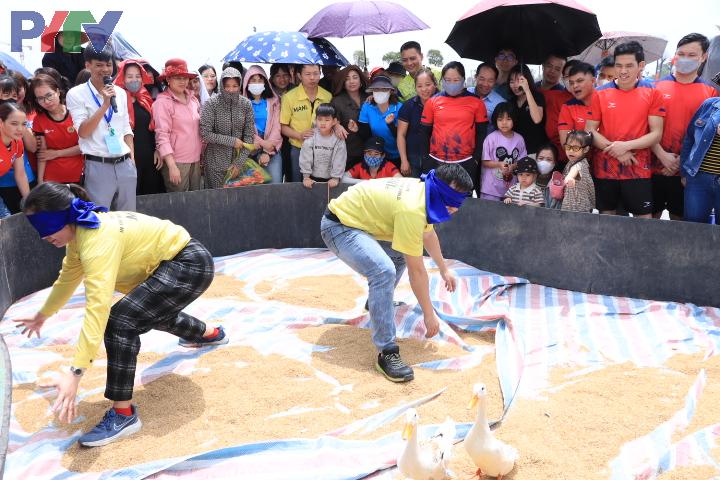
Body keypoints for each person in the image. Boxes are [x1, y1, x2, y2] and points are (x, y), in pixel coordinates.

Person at [16, 182, 228, 447]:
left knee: (120, 321)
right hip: (170, 265)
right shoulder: (80, 235)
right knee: (145, 311)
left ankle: (123, 414)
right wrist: (42, 314)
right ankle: (210, 334)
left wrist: (76, 372)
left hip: (189, 264)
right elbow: (67, 280)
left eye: (46, 227)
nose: (43, 237)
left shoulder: (96, 238)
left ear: (64, 216)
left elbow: (97, 308)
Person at [321, 163, 471, 382]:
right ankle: (387, 351)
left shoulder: (425, 191)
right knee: (383, 271)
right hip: (339, 227)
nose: (455, 208)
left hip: (361, 224)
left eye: (459, 202)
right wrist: (429, 315)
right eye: (452, 200)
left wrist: (444, 268)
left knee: (400, 254)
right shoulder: (412, 208)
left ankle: (377, 301)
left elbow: (427, 235)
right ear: (440, 190)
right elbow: (417, 271)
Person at [585, 41, 665, 218]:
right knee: (607, 219)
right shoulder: (599, 93)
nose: (623, 71)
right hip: (605, 170)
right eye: (619, 65)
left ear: (641, 65)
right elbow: (590, 130)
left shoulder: (653, 93)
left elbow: (656, 134)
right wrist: (617, 151)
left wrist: (626, 146)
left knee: (643, 220)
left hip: (638, 169)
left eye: (629, 66)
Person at [652, 34, 718, 220]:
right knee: (648, 222)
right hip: (653, 167)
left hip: (688, 173)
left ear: (703, 57)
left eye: (691, 55)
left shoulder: (710, 93)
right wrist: (661, 155)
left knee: (681, 223)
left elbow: (706, 136)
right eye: (681, 54)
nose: (685, 59)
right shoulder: (655, 87)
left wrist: (681, 163)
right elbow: (645, 127)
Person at [65, 45, 135, 211]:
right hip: (98, 165)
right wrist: (104, 105)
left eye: (108, 64)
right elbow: (83, 132)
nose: (105, 69)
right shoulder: (76, 94)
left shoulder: (120, 92)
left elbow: (126, 128)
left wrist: (131, 160)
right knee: (100, 217)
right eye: (99, 65)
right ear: (87, 65)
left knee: (128, 216)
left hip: (125, 164)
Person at [420, 61, 488, 181]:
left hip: (466, 161)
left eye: (456, 80)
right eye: (447, 80)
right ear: (442, 80)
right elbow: (424, 133)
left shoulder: (477, 102)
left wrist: (475, 159)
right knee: (436, 192)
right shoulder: (432, 101)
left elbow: (482, 133)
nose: (452, 83)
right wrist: (426, 158)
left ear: (463, 80)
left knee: (462, 193)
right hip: (436, 160)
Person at [114, 60, 165, 196]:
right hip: (127, 158)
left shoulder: (145, 97)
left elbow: (154, 127)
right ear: (122, 78)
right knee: (130, 197)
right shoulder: (115, 100)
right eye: (130, 76)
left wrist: (157, 149)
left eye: (138, 76)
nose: (134, 80)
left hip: (149, 157)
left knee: (151, 195)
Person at [200, 67, 256, 189]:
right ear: (221, 85)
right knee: (216, 196)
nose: (231, 90)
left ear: (240, 85)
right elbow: (205, 133)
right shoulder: (211, 104)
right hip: (215, 162)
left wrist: (238, 163)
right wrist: (231, 141)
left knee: (236, 197)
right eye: (227, 86)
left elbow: (249, 137)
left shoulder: (246, 104)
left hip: (238, 161)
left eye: (235, 86)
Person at [153, 58, 203, 192]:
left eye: (185, 78)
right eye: (177, 78)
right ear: (168, 79)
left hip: (195, 160)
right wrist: (171, 165)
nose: (182, 81)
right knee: (179, 201)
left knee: (196, 198)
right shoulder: (162, 103)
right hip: (177, 161)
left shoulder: (193, 100)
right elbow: (162, 135)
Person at [26, 74, 83, 184]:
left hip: (80, 175)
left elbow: (86, 146)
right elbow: (43, 154)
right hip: (52, 179)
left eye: (49, 95)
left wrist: (56, 153)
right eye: (40, 98)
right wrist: (40, 181)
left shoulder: (75, 112)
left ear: (57, 91)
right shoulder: (39, 120)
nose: (46, 101)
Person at [280, 64, 332, 182]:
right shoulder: (289, 97)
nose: (312, 78)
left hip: (322, 148)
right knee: (298, 183)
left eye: (316, 74)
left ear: (320, 74)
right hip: (298, 148)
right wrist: (299, 135)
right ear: (299, 75)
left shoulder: (327, 96)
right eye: (308, 74)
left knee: (320, 183)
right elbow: (283, 126)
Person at [680, 72, 720, 224]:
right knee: (693, 227)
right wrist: (684, 172)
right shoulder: (709, 105)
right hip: (698, 177)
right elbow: (689, 139)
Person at [243, 65, 283, 184]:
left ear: (265, 82)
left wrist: (267, 152)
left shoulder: (274, 102)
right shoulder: (242, 103)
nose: (257, 83)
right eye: (253, 80)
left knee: (275, 183)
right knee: (252, 187)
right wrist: (262, 143)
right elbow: (243, 129)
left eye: (260, 80)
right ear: (247, 83)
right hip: (249, 151)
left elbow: (277, 127)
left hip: (271, 149)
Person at [480, 102, 526, 201]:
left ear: (514, 119)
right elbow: (484, 162)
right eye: (500, 119)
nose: (504, 123)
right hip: (490, 189)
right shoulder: (491, 138)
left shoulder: (519, 139)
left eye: (508, 119)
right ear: (495, 120)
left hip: (511, 190)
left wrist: (512, 166)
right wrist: (499, 164)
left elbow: (523, 162)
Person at [398, 68, 438, 178]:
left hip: (437, 160)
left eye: (428, 84)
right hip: (414, 160)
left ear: (435, 84)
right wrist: (404, 161)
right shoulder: (408, 106)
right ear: (415, 87)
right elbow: (401, 135)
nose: (424, 89)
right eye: (419, 86)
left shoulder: (442, 105)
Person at [359, 75, 403, 167]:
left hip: (398, 154)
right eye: (376, 89)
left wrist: (391, 124)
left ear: (390, 91)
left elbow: (402, 135)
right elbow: (365, 134)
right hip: (376, 156)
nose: (380, 92)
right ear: (372, 92)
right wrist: (356, 130)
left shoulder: (399, 107)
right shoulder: (367, 106)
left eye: (384, 89)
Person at [331, 65, 369, 170]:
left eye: (355, 77)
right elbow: (330, 120)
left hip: (370, 150)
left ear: (361, 80)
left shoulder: (369, 97)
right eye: (347, 79)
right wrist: (336, 125)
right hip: (348, 151)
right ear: (343, 83)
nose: (351, 81)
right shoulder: (337, 101)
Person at [299, 103, 346, 188]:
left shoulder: (338, 139)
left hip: (331, 179)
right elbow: (305, 157)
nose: (323, 123)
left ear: (334, 121)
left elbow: (340, 159)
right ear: (315, 120)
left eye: (327, 120)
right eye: (320, 119)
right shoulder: (311, 136)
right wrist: (306, 177)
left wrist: (335, 178)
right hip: (311, 178)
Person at [537, 54, 573, 163]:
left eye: (557, 69)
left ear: (562, 73)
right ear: (543, 65)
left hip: (554, 152)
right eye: (549, 66)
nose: (552, 71)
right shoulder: (532, 88)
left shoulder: (564, 96)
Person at [0, 102, 31, 216]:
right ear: (1, 122)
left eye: (24, 124)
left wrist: (29, 201)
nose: (20, 129)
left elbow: (20, 174)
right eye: (14, 123)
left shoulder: (17, 142)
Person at [508, 64, 547, 155]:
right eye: (512, 81)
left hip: (537, 151)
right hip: (517, 151)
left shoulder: (537, 96)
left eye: (519, 81)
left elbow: (537, 119)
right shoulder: (511, 101)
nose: (515, 85)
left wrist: (527, 90)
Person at [558, 62, 597, 147]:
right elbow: (566, 144)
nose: (575, 86)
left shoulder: (607, 101)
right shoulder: (567, 107)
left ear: (593, 81)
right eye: (571, 83)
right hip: (582, 155)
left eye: (580, 81)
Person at [560, 130, 596, 213]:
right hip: (570, 208)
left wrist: (569, 178)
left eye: (575, 148)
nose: (570, 151)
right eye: (568, 147)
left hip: (579, 210)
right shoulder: (570, 162)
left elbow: (573, 172)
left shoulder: (580, 164)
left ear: (586, 149)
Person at [470, 63, 505, 133]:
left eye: (490, 81)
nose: (485, 84)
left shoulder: (501, 103)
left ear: (495, 81)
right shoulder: (465, 94)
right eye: (482, 79)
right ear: (476, 77)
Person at [534, 143, 561, 208]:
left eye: (549, 159)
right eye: (541, 158)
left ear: (555, 163)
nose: (544, 162)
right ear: (536, 159)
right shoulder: (527, 179)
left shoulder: (557, 185)